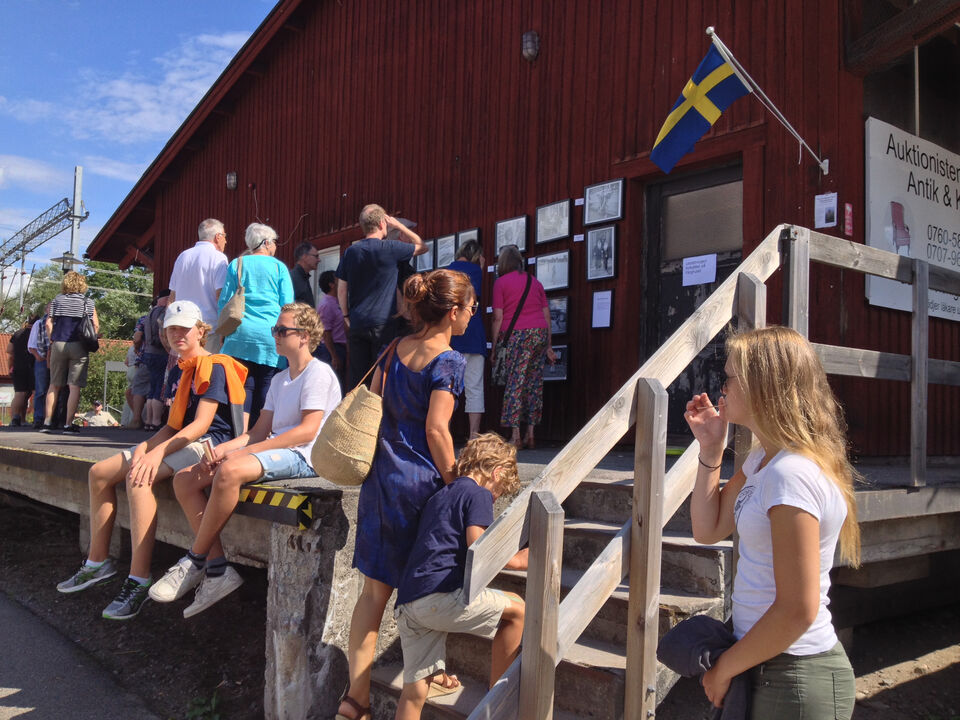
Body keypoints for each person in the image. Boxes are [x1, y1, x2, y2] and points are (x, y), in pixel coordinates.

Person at [683, 326, 860, 719]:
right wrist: (711, 448)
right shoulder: (763, 462)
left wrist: (724, 669)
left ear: (763, 385)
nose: (722, 389)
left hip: (793, 673)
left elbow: (798, 608)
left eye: (729, 378)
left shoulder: (790, 474)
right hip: (768, 664)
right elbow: (707, 530)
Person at [337, 269, 473, 720]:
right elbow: (437, 430)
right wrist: (457, 483)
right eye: (472, 308)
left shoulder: (394, 348)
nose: (472, 315)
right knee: (428, 592)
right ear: (453, 311)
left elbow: (375, 407)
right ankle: (426, 678)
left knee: (372, 596)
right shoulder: (449, 360)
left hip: (381, 481)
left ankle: (355, 700)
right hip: (421, 486)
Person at [55, 300, 246, 620]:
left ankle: (138, 578)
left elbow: (201, 425)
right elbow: (171, 426)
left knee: (139, 478)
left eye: (184, 329)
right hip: (180, 439)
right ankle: (97, 563)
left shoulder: (212, 366)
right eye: (171, 329)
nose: (177, 334)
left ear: (201, 331)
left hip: (209, 443)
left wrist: (156, 453)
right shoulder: (179, 369)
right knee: (100, 473)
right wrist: (145, 448)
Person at [150, 302, 341, 617]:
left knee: (229, 471)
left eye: (282, 330)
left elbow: (307, 432)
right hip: (279, 450)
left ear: (305, 336)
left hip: (306, 456)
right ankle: (217, 570)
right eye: (275, 330)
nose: (275, 335)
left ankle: (195, 559)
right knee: (185, 479)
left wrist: (243, 453)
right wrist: (225, 449)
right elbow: (258, 432)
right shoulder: (280, 380)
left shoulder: (317, 373)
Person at [391, 433, 527, 720]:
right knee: (518, 610)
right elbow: (478, 544)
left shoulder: (440, 495)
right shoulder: (478, 493)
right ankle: (497, 702)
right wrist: (518, 560)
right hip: (438, 597)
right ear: (496, 472)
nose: (495, 497)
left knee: (414, 692)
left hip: (409, 602)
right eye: (499, 491)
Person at [336, 204, 427, 388]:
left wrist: (346, 315)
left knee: (358, 379)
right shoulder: (391, 248)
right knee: (383, 376)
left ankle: (357, 408)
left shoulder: (351, 252)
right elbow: (422, 246)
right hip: (383, 323)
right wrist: (398, 226)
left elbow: (342, 288)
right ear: (382, 223)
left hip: (358, 322)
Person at [217, 223, 294, 429]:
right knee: (268, 386)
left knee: (244, 387)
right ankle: (262, 434)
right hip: (270, 335)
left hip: (239, 334)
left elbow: (224, 301)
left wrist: (223, 331)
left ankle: (241, 435)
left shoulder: (237, 264)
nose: (275, 246)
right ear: (266, 242)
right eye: (274, 242)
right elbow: (288, 305)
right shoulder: (279, 267)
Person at [490, 245, 555, 450]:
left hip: (517, 336)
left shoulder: (500, 283)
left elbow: (497, 317)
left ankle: (515, 436)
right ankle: (531, 434)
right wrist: (549, 345)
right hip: (539, 334)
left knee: (515, 383)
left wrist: (494, 347)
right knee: (534, 384)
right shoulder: (535, 282)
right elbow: (546, 315)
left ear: (503, 263)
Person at [41, 271, 99, 434]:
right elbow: (95, 325)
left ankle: (47, 422)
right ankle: (68, 424)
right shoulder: (88, 302)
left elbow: (48, 323)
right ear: (82, 284)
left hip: (59, 343)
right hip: (79, 346)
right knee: (74, 387)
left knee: (54, 385)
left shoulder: (57, 300)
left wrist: (52, 339)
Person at [169, 218, 228, 352]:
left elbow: (172, 296)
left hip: (182, 327)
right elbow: (221, 296)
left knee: (185, 366)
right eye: (225, 236)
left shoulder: (182, 257)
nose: (226, 241)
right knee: (208, 366)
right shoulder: (219, 258)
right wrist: (225, 329)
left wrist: (169, 327)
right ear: (218, 237)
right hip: (208, 331)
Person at [448, 240, 487, 439]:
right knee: (475, 387)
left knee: (446, 388)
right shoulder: (476, 271)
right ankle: (473, 436)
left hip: (450, 335)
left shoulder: (447, 271)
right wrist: (481, 267)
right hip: (474, 335)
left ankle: (444, 431)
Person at [140, 290, 171, 430]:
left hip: (149, 353)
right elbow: (162, 333)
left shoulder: (150, 313)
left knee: (152, 389)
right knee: (159, 389)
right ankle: (156, 421)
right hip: (161, 353)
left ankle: (148, 421)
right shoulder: (163, 312)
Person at [316, 270, 347, 389]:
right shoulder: (327, 304)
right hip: (331, 349)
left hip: (341, 348)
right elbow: (325, 332)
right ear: (331, 284)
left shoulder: (338, 301)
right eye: (338, 279)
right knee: (334, 383)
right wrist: (334, 356)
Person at [7, 318, 35, 426]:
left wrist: (10, 367)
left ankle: (17, 418)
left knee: (21, 393)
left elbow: (9, 350)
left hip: (18, 366)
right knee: (33, 392)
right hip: (32, 365)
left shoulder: (17, 333)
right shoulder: (36, 333)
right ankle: (36, 418)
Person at [27, 304, 51, 428]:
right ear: (45, 310)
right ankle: (38, 418)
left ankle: (51, 418)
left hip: (55, 360)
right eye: (50, 308)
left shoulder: (59, 322)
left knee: (54, 389)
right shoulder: (39, 323)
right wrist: (38, 356)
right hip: (42, 358)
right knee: (41, 390)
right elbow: (31, 345)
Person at [289, 241, 319, 307]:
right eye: (316, 256)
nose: (319, 260)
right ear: (304, 256)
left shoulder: (303, 277)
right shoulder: (292, 278)